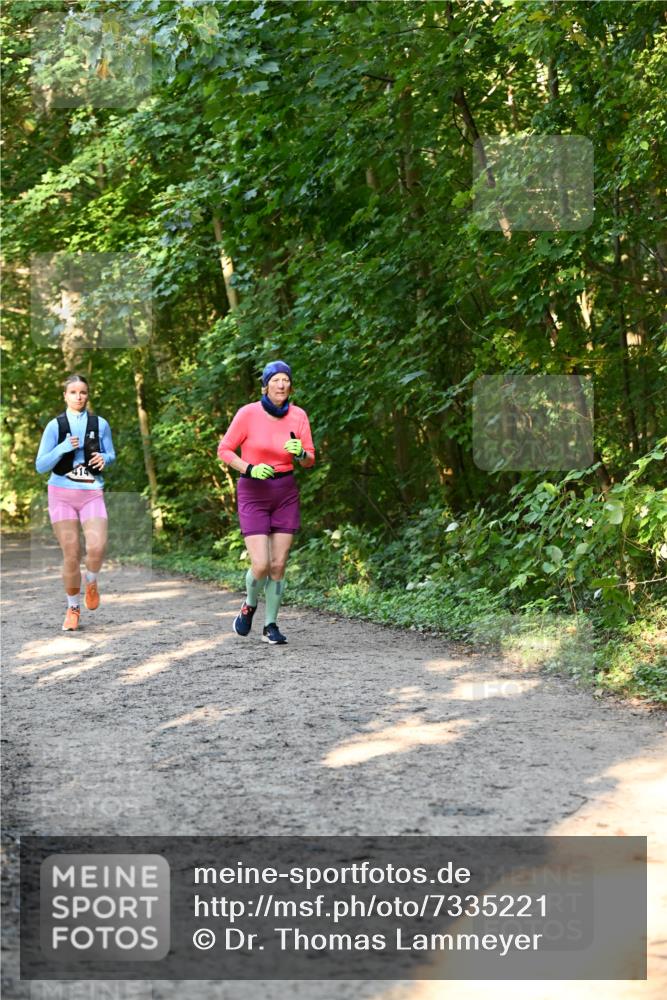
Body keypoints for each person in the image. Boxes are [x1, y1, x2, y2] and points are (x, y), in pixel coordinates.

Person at [217, 360, 315, 645]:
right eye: (276, 380)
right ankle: (249, 605)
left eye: (286, 380)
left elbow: (310, 460)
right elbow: (224, 450)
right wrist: (249, 468)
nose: (282, 385)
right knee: (260, 565)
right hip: (253, 490)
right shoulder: (248, 413)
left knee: (278, 564)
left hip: (285, 491)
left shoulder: (298, 416)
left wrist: (301, 454)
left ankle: (270, 625)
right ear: (266, 385)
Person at [35, 374, 115, 631]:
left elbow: (111, 454)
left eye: (82, 392)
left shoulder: (99, 423)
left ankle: (90, 581)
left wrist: (105, 458)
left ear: (88, 395)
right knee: (71, 553)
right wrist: (61, 448)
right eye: (73, 392)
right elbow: (40, 465)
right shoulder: (54, 426)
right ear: (65, 396)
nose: (78, 396)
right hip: (61, 493)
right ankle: (73, 608)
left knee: (98, 547)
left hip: (92, 492)